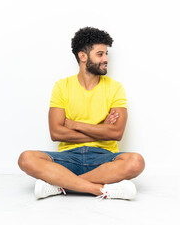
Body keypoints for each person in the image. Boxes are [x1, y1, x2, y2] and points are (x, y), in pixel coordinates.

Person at [18, 27, 145, 200]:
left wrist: (74, 124)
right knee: (26, 158)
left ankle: (60, 185)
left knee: (136, 161)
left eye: (106, 53)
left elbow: (116, 133)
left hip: (104, 158)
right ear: (83, 56)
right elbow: (56, 133)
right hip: (68, 158)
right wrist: (101, 129)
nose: (106, 59)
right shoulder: (61, 87)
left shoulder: (115, 88)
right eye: (100, 54)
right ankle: (99, 190)